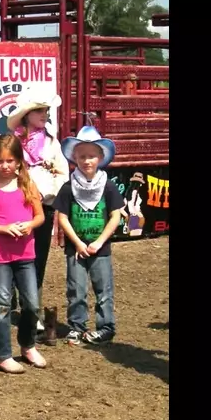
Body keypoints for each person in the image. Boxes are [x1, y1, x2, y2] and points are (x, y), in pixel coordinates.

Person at [0, 134, 48, 374]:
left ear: (19, 161)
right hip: (0, 256)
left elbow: (40, 216)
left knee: (32, 304)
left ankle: (27, 345)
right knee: (3, 304)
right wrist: (3, 228)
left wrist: (30, 225)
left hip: (26, 253)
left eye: (10, 161)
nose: (5, 166)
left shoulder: (28, 185)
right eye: (0, 161)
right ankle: (2, 354)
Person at [1, 87, 68, 335]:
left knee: (37, 259)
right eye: (39, 110)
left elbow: (62, 173)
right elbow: (3, 172)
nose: (45, 114)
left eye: (46, 111)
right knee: (13, 256)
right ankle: (8, 305)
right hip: (16, 207)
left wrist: (50, 193)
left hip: (44, 209)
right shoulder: (13, 144)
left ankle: (33, 310)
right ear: (26, 114)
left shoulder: (52, 143)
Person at [53, 126, 124, 346]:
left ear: (100, 157)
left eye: (92, 156)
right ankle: (77, 326)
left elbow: (115, 216)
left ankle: (106, 327)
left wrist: (99, 242)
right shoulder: (68, 188)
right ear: (74, 157)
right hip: (76, 249)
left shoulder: (109, 187)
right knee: (76, 289)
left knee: (104, 289)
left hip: (100, 249)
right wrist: (77, 243)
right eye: (82, 156)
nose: (87, 161)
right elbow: (63, 218)